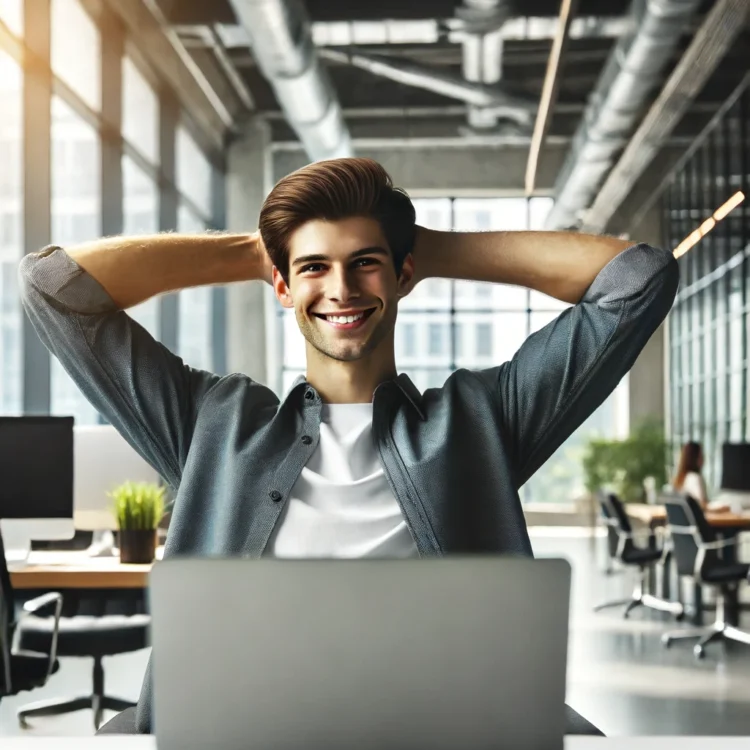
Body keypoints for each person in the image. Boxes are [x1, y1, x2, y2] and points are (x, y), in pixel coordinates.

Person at [18, 157, 679, 736]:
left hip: (437, 730)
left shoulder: (484, 421)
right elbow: (54, 290)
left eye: (365, 263)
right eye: (313, 268)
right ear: (282, 286)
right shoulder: (209, 423)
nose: (340, 289)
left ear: (401, 275)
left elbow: (637, 280)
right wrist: (256, 252)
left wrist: (424, 251)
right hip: (242, 730)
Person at [671, 441, 728, 511]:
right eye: (701, 455)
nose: (703, 458)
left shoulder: (682, 478)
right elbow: (702, 505)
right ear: (694, 458)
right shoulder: (694, 478)